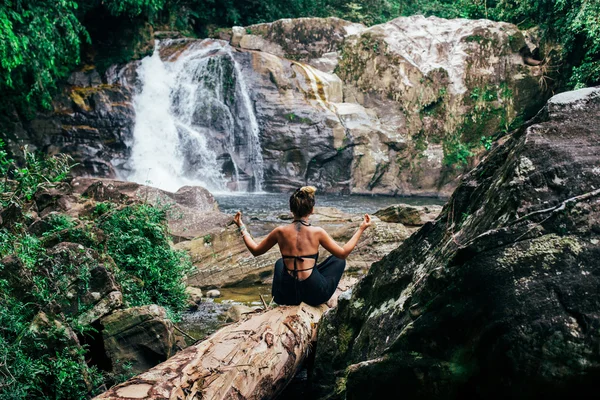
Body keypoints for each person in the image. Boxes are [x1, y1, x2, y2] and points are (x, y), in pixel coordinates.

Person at [233, 186, 373, 307]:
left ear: (291, 210)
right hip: (314, 295)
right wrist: (361, 228)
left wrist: (241, 226)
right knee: (338, 260)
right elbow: (343, 253)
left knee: (281, 263)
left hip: (286, 297)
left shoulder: (280, 231)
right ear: (312, 210)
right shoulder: (317, 232)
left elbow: (255, 250)